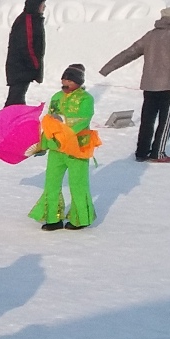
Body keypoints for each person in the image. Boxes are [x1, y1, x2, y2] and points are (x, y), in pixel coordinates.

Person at [100, 5, 170, 163]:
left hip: (149, 85)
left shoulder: (150, 36)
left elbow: (129, 52)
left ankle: (141, 152)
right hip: (169, 85)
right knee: (166, 120)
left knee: (147, 119)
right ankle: (158, 153)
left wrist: (107, 68)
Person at [29, 64, 99, 230]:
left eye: (70, 80)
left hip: (77, 149)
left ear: (78, 83)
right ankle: (53, 217)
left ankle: (80, 218)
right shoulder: (56, 96)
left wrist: (62, 121)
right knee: (51, 183)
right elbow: (49, 123)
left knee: (78, 184)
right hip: (56, 148)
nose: (65, 83)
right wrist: (43, 143)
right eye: (64, 79)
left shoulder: (86, 99)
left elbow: (82, 119)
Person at [5, 0, 47, 106]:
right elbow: (28, 45)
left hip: (23, 67)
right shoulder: (28, 20)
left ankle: (14, 118)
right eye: (42, 4)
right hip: (21, 67)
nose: (44, 7)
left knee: (17, 96)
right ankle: (8, 119)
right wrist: (35, 65)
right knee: (15, 97)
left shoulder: (34, 19)